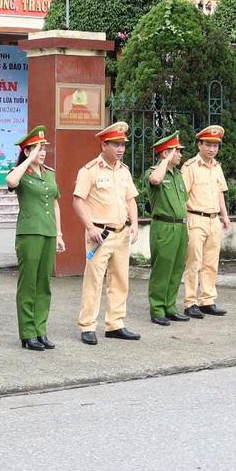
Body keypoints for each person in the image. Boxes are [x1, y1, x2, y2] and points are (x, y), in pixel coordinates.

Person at [73, 122, 140, 343]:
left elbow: (130, 199)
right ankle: (87, 326)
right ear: (104, 145)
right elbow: (78, 201)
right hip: (100, 235)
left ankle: (115, 324)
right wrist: (90, 227)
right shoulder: (89, 170)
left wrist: (135, 223)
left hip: (121, 233)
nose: (121, 149)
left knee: (120, 280)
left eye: (123, 145)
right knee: (93, 281)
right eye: (116, 145)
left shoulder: (124, 171)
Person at [6, 124, 59, 350]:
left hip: (48, 232)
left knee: (44, 284)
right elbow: (10, 182)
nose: (43, 152)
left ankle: (41, 329)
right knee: (28, 284)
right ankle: (27, 333)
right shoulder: (21, 173)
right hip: (29, 234)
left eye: (44, 148)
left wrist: (60, 232)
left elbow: (55, 203)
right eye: (37, 148)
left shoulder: (49, 174)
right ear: (26, 152)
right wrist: (28, 160)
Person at [181, 124, 231, 318]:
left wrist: (224, 216)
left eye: (215, 145)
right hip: (195, 218)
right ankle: (190, 302)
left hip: (213, 219)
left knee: (211, 261)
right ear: (199, 144)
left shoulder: (217, 167)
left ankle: (207, 299)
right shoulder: (190, 167)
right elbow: (183, 194)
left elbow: (220, 193)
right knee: (194, 262)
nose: (212, 149)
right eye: (208, 145)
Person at [144, 132, 191, 327]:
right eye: (176, 151)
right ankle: (157, 309)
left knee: (176, 268)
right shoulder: (154, 172)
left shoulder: (178, 175)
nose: (180, 154)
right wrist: (165, 160)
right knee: (162, 268)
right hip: (163, 226)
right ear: (165, 154)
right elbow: (155, 180)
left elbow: (184, 202)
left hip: (180, 227)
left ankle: (170, 307)